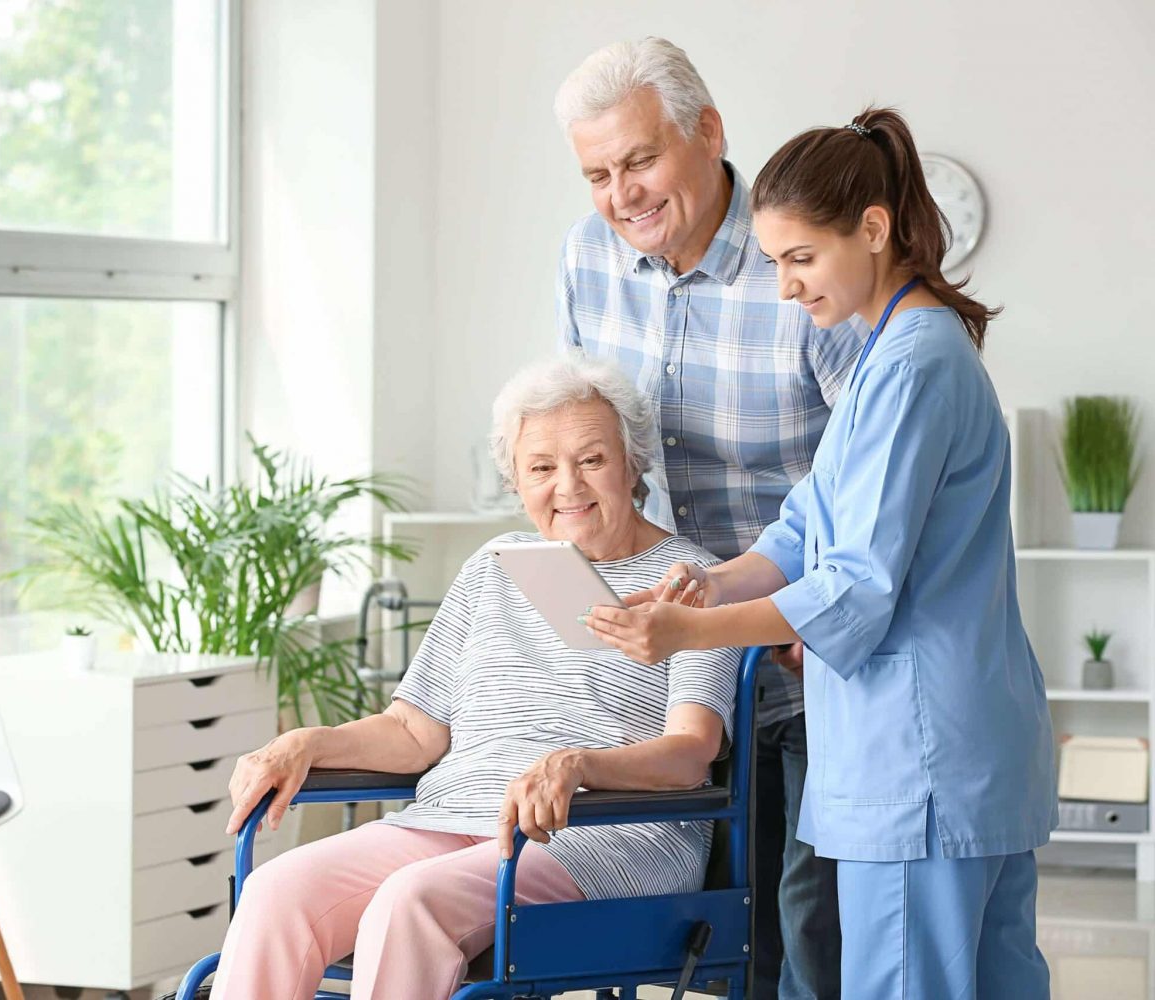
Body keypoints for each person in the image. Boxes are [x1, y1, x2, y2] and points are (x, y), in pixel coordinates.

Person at [584, 107, 1057, 998]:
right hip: (962, 755)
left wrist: (696, 630)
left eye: (801, 259)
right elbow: (807, 525)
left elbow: (853, 587)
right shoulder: (891, 352)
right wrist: (709, 581)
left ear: (873, 230)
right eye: (772, 264)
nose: (787, 289)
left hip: (919, 762)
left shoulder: (913, 363)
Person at [208, 354, 741, 1000]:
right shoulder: (494, 566)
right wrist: (305, 743)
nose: (567, 486)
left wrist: (580, 766)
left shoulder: (694, 581)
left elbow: (691, 755)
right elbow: (413, 731)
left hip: (604, 833)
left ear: (633, 465)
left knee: (409, 902)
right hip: (454, 819)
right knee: (275, 892)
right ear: (516, 481)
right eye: (541, 468)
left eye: (591, 460)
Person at [553, 36, 863, 999]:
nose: (623, 194)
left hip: (803, 647)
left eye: (640, 159)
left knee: (810, 928)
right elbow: (587, 443)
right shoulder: (587, 258)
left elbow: (875, 468)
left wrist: (811, 615)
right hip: (674, 659)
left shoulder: (801, 262)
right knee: (709, 931)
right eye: (599, 173)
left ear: (710, 132)